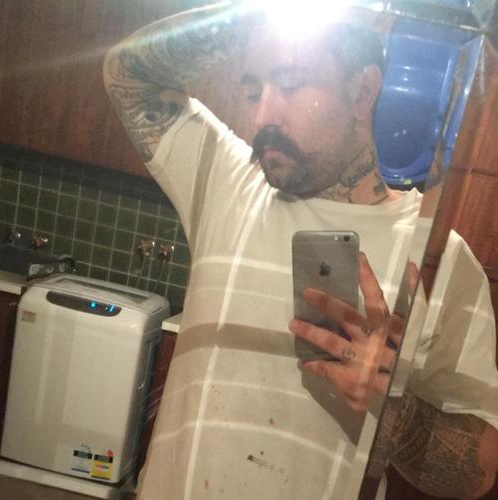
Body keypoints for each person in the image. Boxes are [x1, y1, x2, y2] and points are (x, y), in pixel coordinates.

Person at [103, 4, 498, 499]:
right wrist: (257, 17)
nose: (263, 115)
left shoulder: (439, 258)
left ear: (362, 92)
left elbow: (480, 471)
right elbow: (127, 76)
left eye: (289, 85)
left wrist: (393, 412)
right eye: (253, 91)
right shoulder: (226, 181)